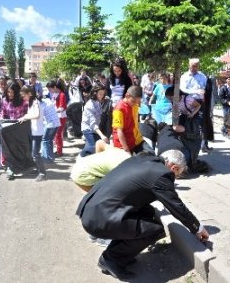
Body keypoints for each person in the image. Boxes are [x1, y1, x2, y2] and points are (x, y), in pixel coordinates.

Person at [76, 150, 209, 280]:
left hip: (92, 210)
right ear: (173, 167)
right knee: (156, 230)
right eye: (177, 174)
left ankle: (116, 254)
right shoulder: (162, 174)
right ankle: (111, 260)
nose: (174, 178)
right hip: (101, 219)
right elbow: (176, 206)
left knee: (148, 212)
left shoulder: (143, 158)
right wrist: (197, 228)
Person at [112, 85, 151, 154]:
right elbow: (119, 131)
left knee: (151, 154)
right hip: (122, 144)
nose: (135, 104)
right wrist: (126, 150)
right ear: (127, 96)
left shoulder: (135, 104)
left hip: (136, 139)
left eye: (138, 101)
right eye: (133, 101)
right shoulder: (119, 109)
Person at [18, 85, 47, 181]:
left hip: (37, 133)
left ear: (29, 94)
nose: (23, 97)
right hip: (34, 131)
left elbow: (37, 115)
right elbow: (31, 114)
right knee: (33, 153)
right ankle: (38, 169)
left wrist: (25, 117)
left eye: (24, 95)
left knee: (35, 154)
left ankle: (42, 173)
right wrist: (24, 116)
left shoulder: (35, 102)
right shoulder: (31, 103)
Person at [80, 85, 109, 157]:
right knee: (93, 147)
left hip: (95, 129)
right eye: (100, 94)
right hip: (88, 129)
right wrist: (102, 135)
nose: (102, 96)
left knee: (97, 147)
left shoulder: (97, 101)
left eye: (103, 94)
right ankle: (81, 156)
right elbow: (93, 124)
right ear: (95, 93)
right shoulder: (90, 105)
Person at [41, 82, 61, 163]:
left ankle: (46, 158)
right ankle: (50, 157)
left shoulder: (41, 103)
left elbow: (40, 116)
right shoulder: (49, 100)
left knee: (45, 140)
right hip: (56, 123)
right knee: (49, 140)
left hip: (50, 124)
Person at [52, 79, 67, 157]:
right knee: (56, 135)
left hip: (61, 117)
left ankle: (59, 151)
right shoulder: (56, 94)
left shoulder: (62, 94)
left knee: (58, 135)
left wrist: (54, 112)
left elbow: (62, 107)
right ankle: (58, 150)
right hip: (57, 116)